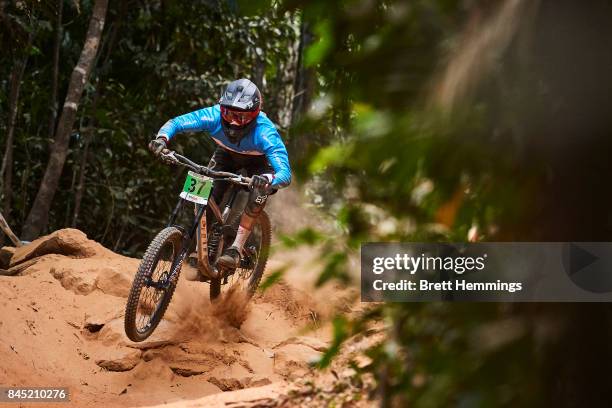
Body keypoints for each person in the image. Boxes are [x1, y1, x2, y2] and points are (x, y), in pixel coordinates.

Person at [148, 78, 291, 269]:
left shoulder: (265, 132)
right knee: (201, 195)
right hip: (226, 156)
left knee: (259, 192)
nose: (232, 121)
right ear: (221, 108)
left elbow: (285, 173)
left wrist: (267, 179)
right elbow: (177, 123)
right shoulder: (213, 116)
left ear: (254, 115)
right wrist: (162, 139)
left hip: (259, 164)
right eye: (228, 113)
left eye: (240, 117)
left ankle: (236, 248)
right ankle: (202, 248)